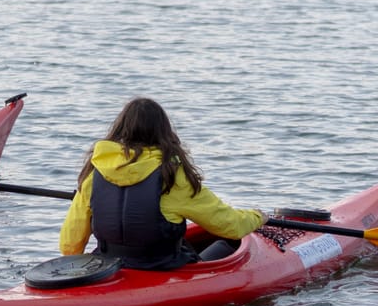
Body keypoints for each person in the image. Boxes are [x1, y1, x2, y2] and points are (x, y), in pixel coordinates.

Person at [59, 97, 265, 269]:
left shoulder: (95, 172)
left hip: (109, 266)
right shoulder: (172, 176)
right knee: (223, 245)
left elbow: (70, 244)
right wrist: (257, 217)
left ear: (120, 129)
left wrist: (75, 274)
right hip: (161, 269)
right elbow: (231, 227)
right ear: (163, 132)